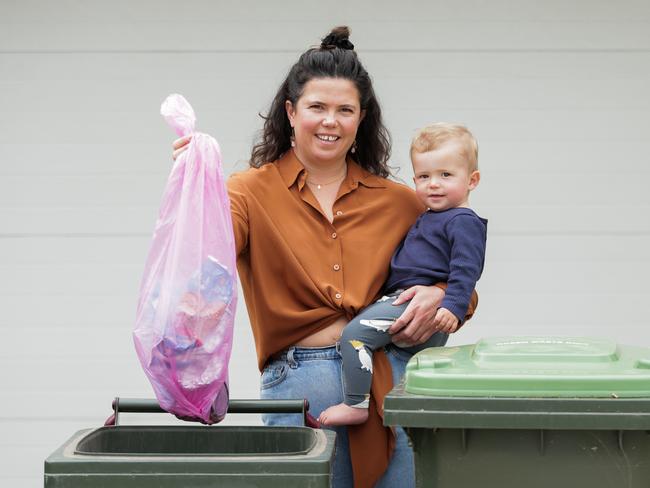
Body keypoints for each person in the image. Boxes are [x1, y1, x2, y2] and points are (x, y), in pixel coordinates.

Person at [172, 27, 477, 488]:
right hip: (301, 386)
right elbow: (205, 253)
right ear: (291, 112)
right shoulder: (247, 193)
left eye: (344, 110)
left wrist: (438, 295)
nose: (330, 121)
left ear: (361, 118)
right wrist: (193, 183)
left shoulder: (400, 202)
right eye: (317, 107)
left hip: (392, 383)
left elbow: (462, 282)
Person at [319, 123, 487, 426]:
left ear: (472, 180)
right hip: (404, 300)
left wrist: (453, 306)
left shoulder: (463, 221)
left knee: (354, 337)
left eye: (445, 175)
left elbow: (467, 268)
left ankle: (356, 404)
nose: (433, 184)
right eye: (424, 176)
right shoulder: (431, 216)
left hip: (414, 303)